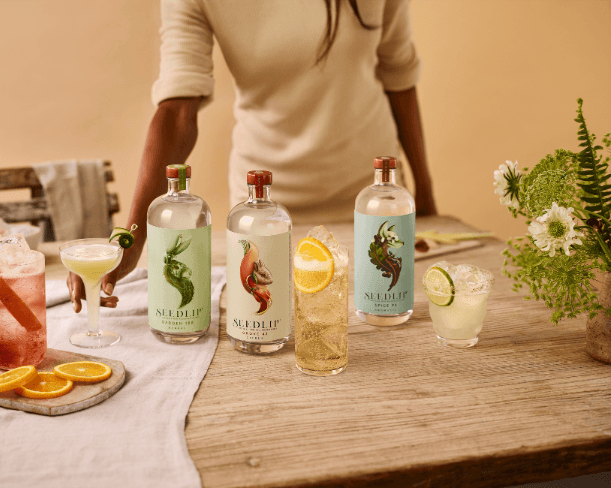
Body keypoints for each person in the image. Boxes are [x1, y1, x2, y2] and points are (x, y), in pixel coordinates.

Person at [67, 0, 437, 311]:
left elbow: (399, 75)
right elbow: (178, 110)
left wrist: (426, 195)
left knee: (390, 326)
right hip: (266, 216)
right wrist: (132, 235)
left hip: (372, 210)